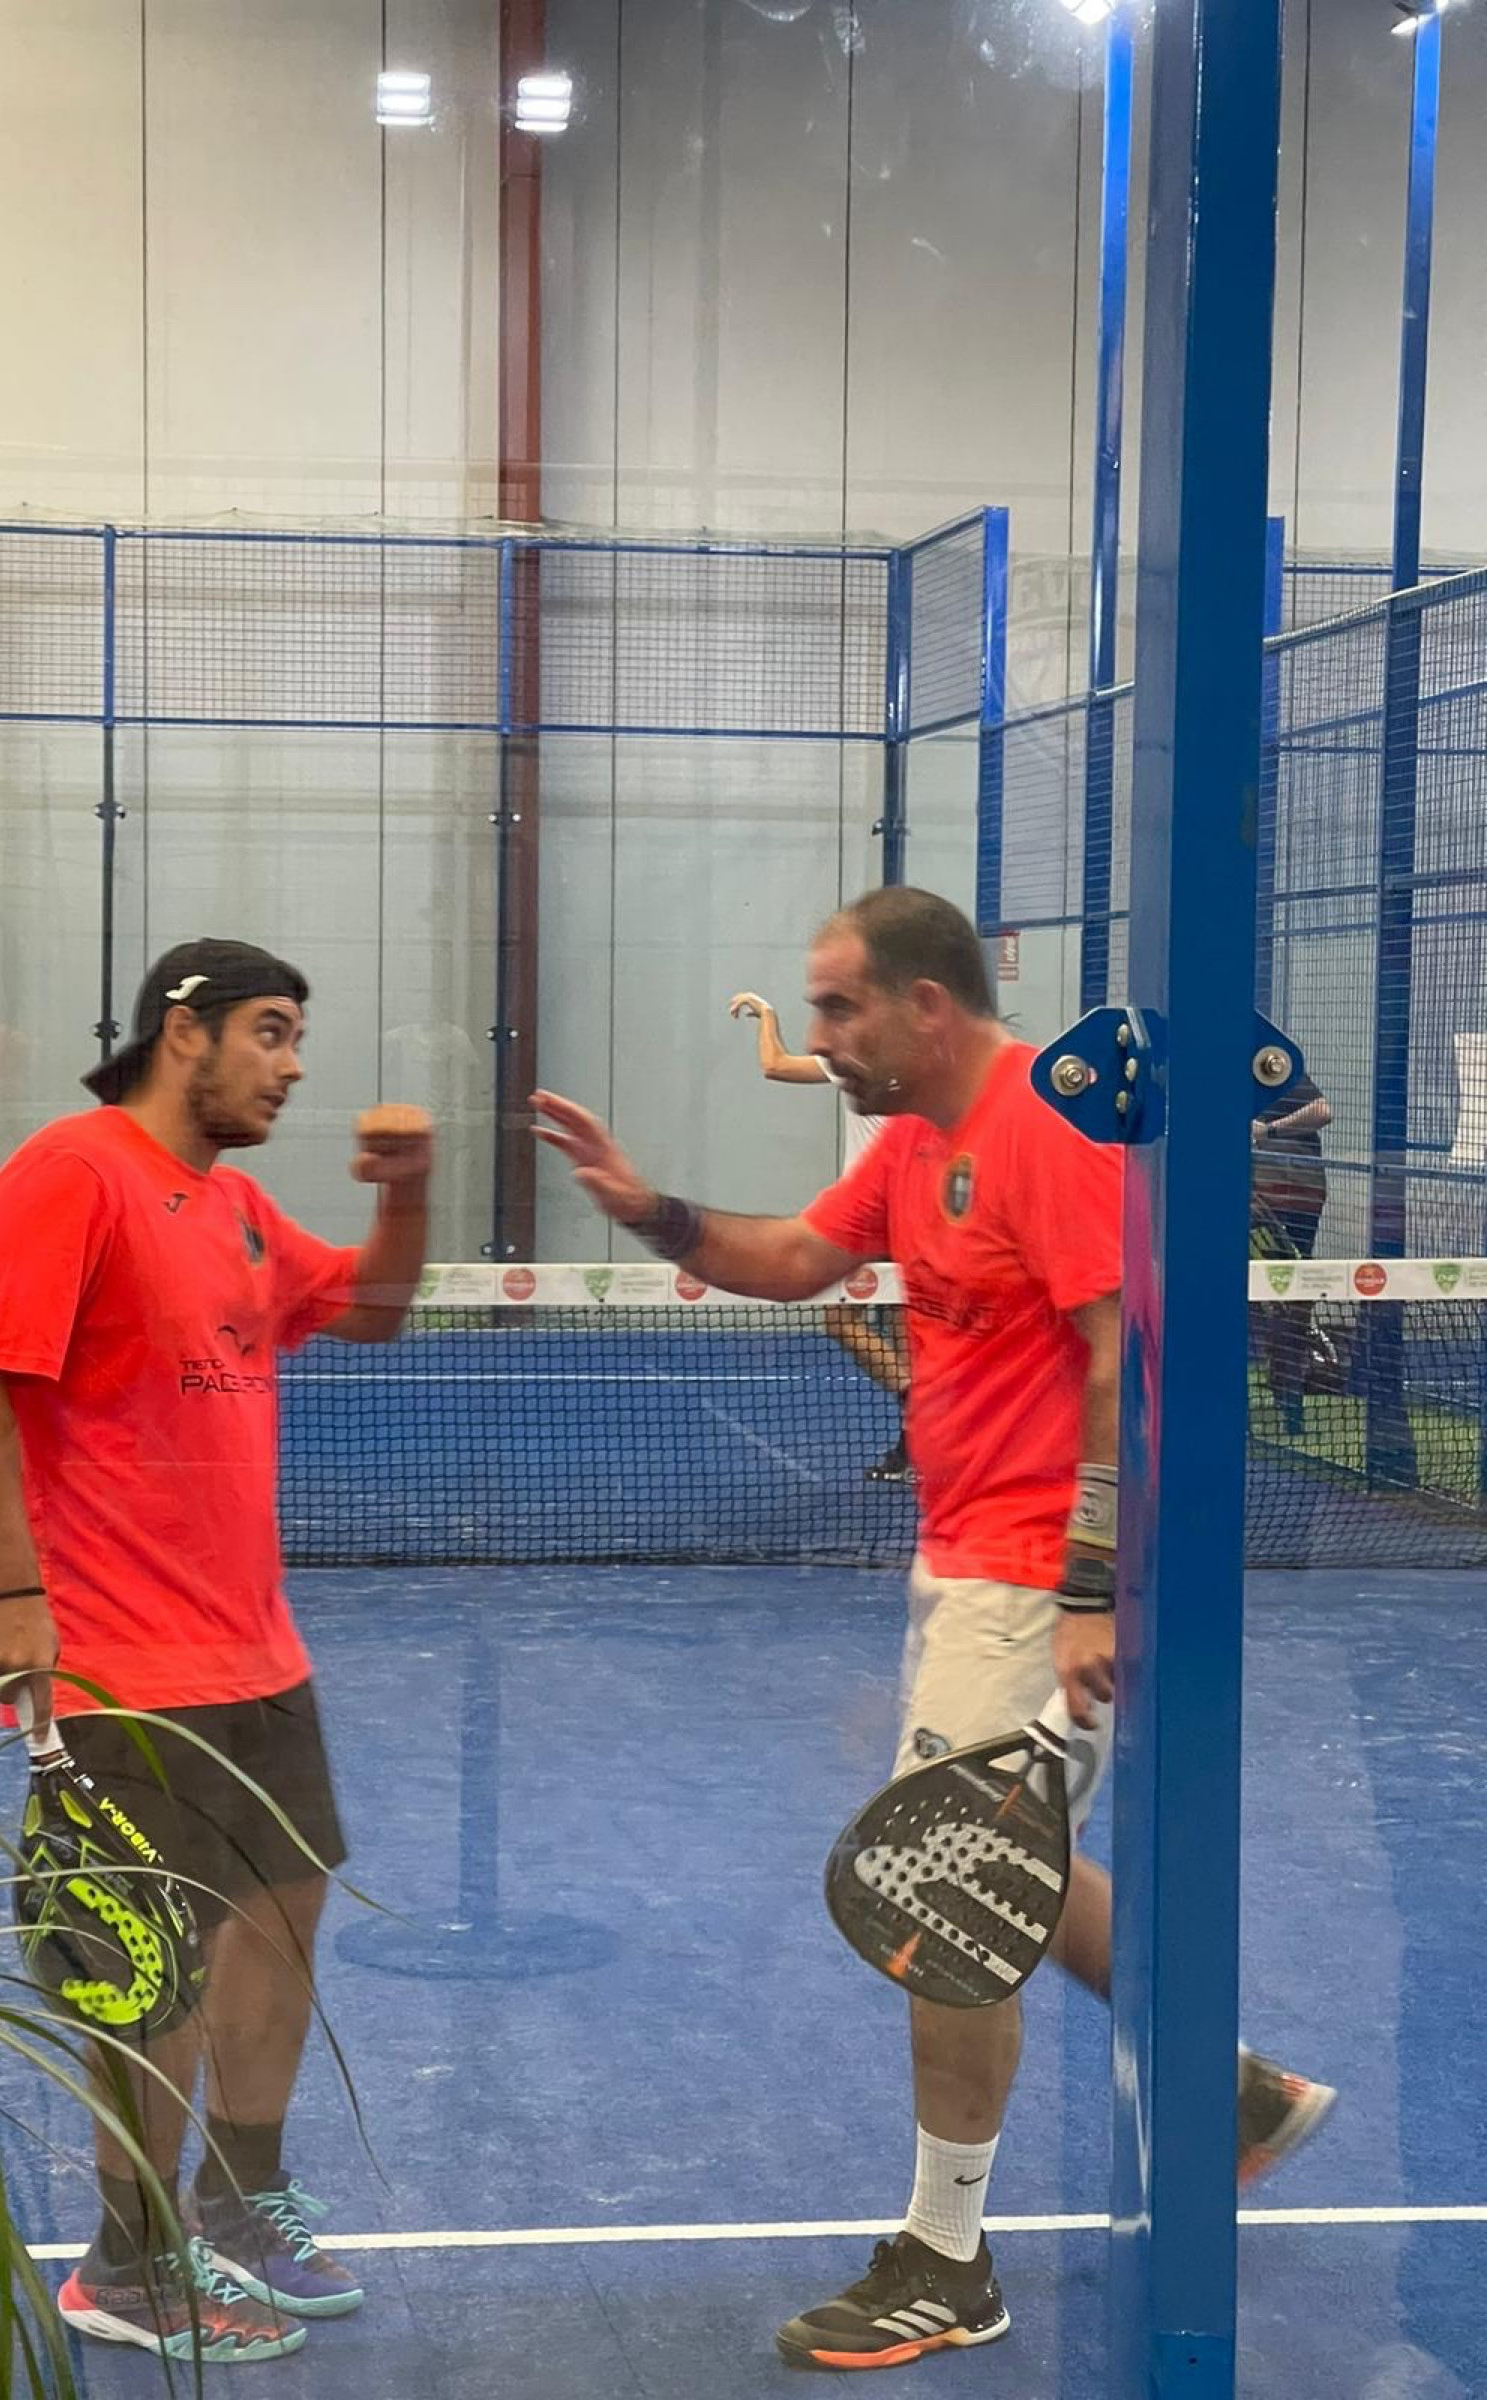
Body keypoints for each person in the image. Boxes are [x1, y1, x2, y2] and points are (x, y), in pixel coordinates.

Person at [533, 887, 1334, 2374]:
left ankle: (947, 2260)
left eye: (837, 1007)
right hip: (966, 1566)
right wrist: (647, 1206)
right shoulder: (912, 1143)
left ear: (926, 1005)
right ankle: (1230, 2092)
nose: (818, 1035)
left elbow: (1124, 1361)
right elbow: (794, 1258)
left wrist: (1088, 1589)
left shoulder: (1044, 1130)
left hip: (1038, 1578)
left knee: (947, 1901)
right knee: (1005, 1867)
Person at [0, 939, 431, 2364]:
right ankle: (131, 2263)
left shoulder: (237, 1207)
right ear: (182, 1030)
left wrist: (406, 1194)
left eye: (298, 1036)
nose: (293, 1064)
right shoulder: (71, 1172)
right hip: (117, 1659)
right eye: (270, 1032)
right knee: (147, 1966)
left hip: (257, 1650)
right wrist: (13, 1589)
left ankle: (239, 2199)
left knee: (281, 1915)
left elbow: (375, 1310)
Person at [728, 987, 911, 1479]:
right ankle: (919, 1424)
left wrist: (767, 1014)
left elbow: (774, 1065)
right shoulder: (918, 1066)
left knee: (841, 1320)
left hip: (874, 1215)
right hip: (905, 1213)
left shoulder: (856, 1060)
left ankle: (917, 1414)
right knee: (899, 1331)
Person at [1250, 1066, 1334, 1437]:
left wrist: (1267, 1131)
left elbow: (1322, 1110)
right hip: (1254, 1203)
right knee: (1260, 1301)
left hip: (1294, 1199)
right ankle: (1277, 1393)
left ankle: (1291, 1400)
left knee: (1290, 1300)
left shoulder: (1276, 1070)